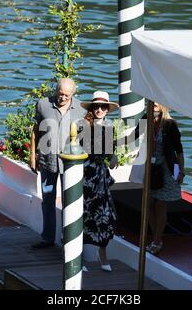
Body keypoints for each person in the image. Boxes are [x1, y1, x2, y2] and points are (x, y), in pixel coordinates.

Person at [30, 78, 86, 249]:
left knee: (69, 201)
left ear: (73, 95)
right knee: (48, 199)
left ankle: (67, 238)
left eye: (66, 96)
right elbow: (35, 130)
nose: (62, 98)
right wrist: (32, 155)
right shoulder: (43, 105)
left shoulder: (81, 109)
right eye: (60, 94)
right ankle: (48, 238)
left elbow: (88, 136)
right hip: (48, 162)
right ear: (56, 91)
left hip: (71, 165)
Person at [80, 91, 119, 271]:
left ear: (107, 110)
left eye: (104, 107)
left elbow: (112, 152)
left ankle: (102, 255)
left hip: (101, 177)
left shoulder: (109, 127)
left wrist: (113, 157)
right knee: (83, 215)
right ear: (92, 108)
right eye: (97, 106)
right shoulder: (82, 126)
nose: (100, 110)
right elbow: (71, 149)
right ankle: (78, 257)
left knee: (104, 216)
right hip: (84, 176)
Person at [147, 102, 185, 255]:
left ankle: (157, 240)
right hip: (151, 168)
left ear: (163, 107)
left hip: (166, 168)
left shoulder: (170, 125)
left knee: (160, 204)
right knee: (149, 204)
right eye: (150, 105)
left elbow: (179, 151)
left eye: (155, 106)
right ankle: (156, 236)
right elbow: (133, 136)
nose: (152, 108)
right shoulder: (146, 120)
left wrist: (181, 171)